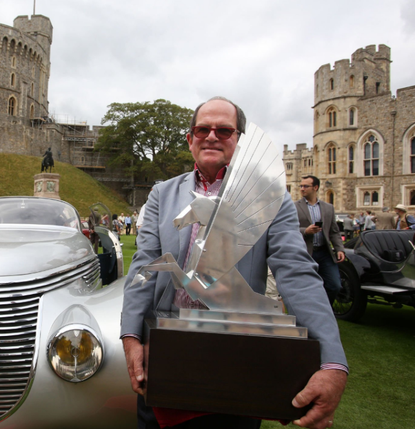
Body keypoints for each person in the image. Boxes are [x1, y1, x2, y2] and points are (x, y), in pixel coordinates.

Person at [121, 97, 347, 429]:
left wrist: (333, 363)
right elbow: (143, 267)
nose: (211, 136)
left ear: (239, 140)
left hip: (237, 359)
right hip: (166, 359)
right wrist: (130, 335)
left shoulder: (271, 198)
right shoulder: (162, 194)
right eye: (202, 129)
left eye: (224, 130)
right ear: (190, 139)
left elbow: (297, 273)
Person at [295, 175, 346, 305]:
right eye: (301, 186)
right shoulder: (293, 207)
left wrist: (340, 249)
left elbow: (334, 231)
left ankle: (324, 309)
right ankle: (309, 311)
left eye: (305, 186)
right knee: (305, 287)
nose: (302, 189)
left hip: (324, 252)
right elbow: (288, 229)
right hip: (305, 252)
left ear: (315, 188)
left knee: (334, 285)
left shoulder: (328, 208)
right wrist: (305, 231)